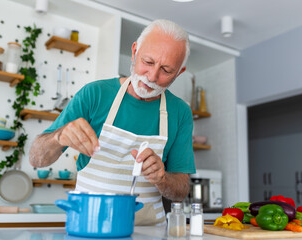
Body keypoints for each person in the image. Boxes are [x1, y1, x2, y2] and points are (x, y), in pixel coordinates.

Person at [29, 19, 196, 226]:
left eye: (166, 70)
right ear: (135, 51)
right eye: (148, 62)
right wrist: (59, 136)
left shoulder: (180, 112)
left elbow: (180, 191)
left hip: (149, 231)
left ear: (179, 72)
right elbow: (37, 159)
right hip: (89, 224)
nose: (152, 76)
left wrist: (162, 178)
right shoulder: (95, 94)